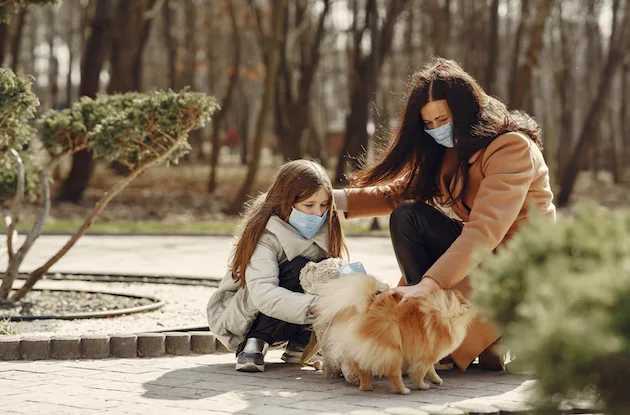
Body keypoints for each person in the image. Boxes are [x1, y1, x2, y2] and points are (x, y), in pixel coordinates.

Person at [333, 58, 556, 370]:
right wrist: (333, 201)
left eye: (443, 119)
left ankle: (449, 334)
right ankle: (426, 325)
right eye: (429, 124)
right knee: (408, 216)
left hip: (513, 262)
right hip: (481, 253)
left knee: (420, 235)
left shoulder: (512, 148)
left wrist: (430, 284)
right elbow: (400, 193)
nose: (437, 129)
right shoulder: (453, 150)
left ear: (465, 112)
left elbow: (484, 231)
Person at [207, 159, 346, 372]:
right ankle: (255, 342)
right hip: (245, 315)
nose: (318, 213)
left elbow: (337, 272)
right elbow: (263, 292)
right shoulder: (264, 236)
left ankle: (302, 343)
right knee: (301, 268)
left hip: (295, 313)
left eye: (323, 205)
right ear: (286, 201)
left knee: (327, 272)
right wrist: (316, 306)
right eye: (308, 205)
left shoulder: (326, 229)